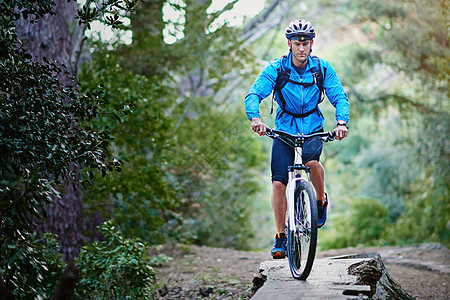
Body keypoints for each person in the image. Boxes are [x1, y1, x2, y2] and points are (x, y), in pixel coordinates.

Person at [244, 19, 349, 259]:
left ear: (311, 44)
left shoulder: (321, 69)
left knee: (312, 164)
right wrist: (255, 119)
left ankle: (320, 201)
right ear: (289, 44)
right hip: (284, 129)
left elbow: (339, 96)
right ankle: (281, 236)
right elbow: (254, 93)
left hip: (312, 127)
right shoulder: (277, 68)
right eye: (296, 43)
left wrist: (342, 122)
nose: (301, 48)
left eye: (305, 43)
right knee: (279, 183)